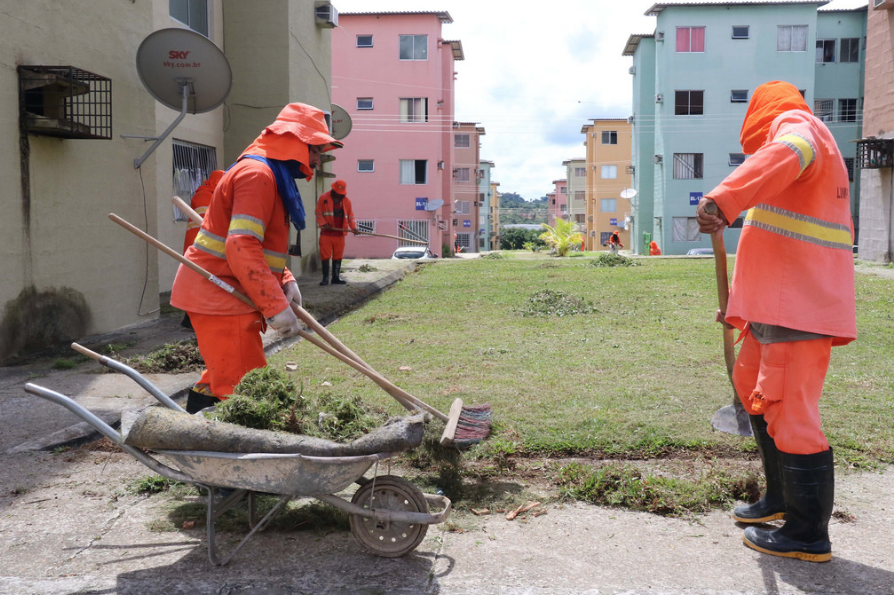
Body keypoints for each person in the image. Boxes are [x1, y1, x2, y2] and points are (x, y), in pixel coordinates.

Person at [696, 81, 856, 563]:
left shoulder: (799, 129)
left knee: (791, 414)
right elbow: (773, 242)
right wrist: (739, 306)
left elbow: (783, 153)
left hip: (796, 310)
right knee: (754, 394)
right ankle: (780, 500)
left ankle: (807, 534)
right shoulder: (791, 152)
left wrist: (724, 198)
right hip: (771, 309)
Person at [170, 103, 343, 414]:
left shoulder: (269, 173)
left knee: (221, 378)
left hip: (224, 292)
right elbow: (242, 245)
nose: (318, 160)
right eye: (316, 149)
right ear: (295, 142)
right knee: (245, 387)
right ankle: (233, 458)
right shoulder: (257, 174)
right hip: (221, 295)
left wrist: (285, 281)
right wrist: (274, 305)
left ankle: (196, 445)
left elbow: (260, 246)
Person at [179, 170, 224, 330]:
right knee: (198, 283)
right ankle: (191, 320)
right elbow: (208, 222)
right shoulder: (204, 196)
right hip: (200, 246)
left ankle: (196, 318)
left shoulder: (211, 195)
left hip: (205, 245)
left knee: (206, 284)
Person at [315, 179, 358, 285]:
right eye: (339, 194)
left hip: (340, 234)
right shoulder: (323, 198)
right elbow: (318, 213)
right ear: (333, 191)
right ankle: (325, 278)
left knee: (338, 256)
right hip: (326, 234)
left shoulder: (347, 202)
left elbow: (351, 216)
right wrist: (324, 225)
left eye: (342, 194)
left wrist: (353, 228)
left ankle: (336, 278)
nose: (340, 196)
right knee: (325, 255)